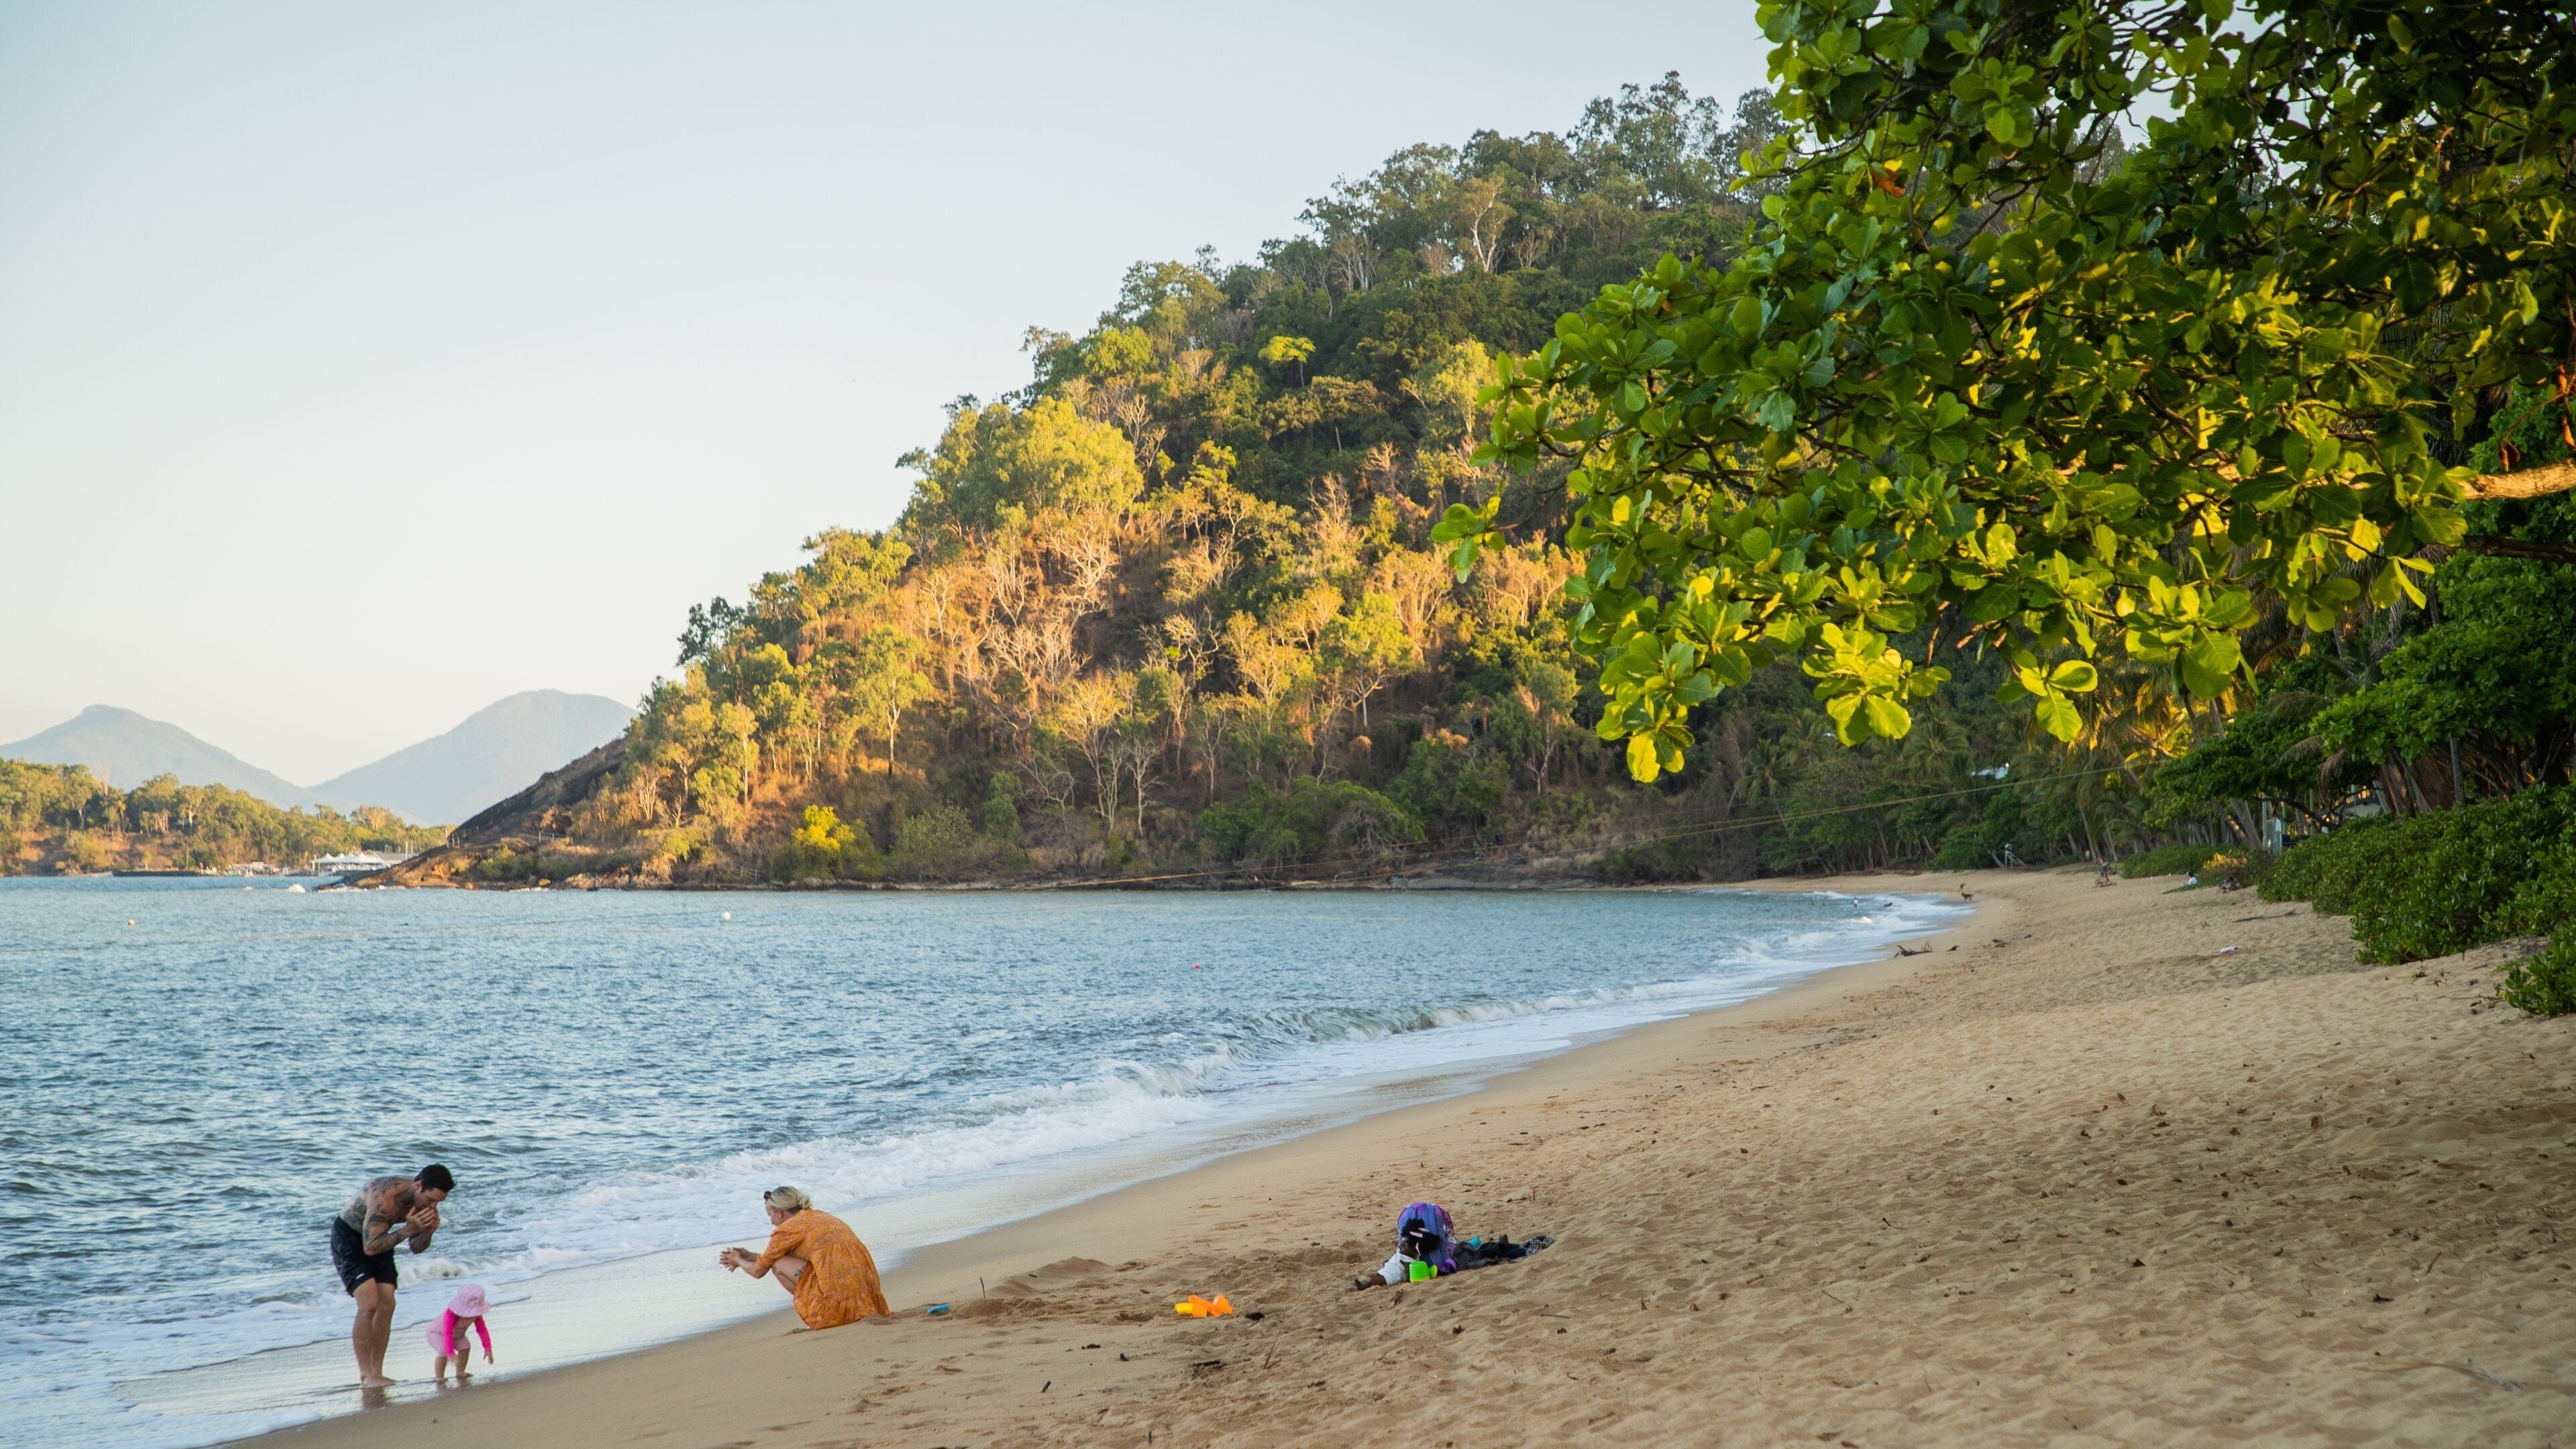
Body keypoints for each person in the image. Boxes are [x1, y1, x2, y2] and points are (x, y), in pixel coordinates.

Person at [331, 1163, 454, 1387]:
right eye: (431, 1200)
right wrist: (408, 1229)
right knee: (369, 1303)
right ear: (418, 1185)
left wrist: (427, 1232)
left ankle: (377, 1371)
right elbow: (369, 1247)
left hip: (382, 1238)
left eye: (439, 1202)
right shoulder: (385, 1197)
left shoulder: (424, 1203)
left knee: (387, 1302)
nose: (433, 1206)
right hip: (351, 1238)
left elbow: (416, 1248)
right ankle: (366, 1373)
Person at [716, 1186, 890, 1330]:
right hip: (866, 1299)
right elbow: (772, 1256)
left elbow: (758, 1271)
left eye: (770, 1215)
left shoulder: (788, 1229)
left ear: (780, 1212)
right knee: (781, 1259)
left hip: (836, 1300)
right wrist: (750, 1255)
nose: (771, 1222)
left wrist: (738, 1261)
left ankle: (818, 1313)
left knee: (778, 1265)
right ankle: (824, 1307)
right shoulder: (820, 1216)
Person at [425, 1282, 495, 1383]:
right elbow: (447, 1333)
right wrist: (450, 1352)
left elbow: (482, 1330)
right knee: (443, 1350)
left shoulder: (477, 1315)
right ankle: (439, 1376)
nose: (471, 1315)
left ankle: (460, 1371)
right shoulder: (451, 1314)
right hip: (437, 1334)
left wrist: (488, 1348)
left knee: (466, 1347)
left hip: (458, 1335)